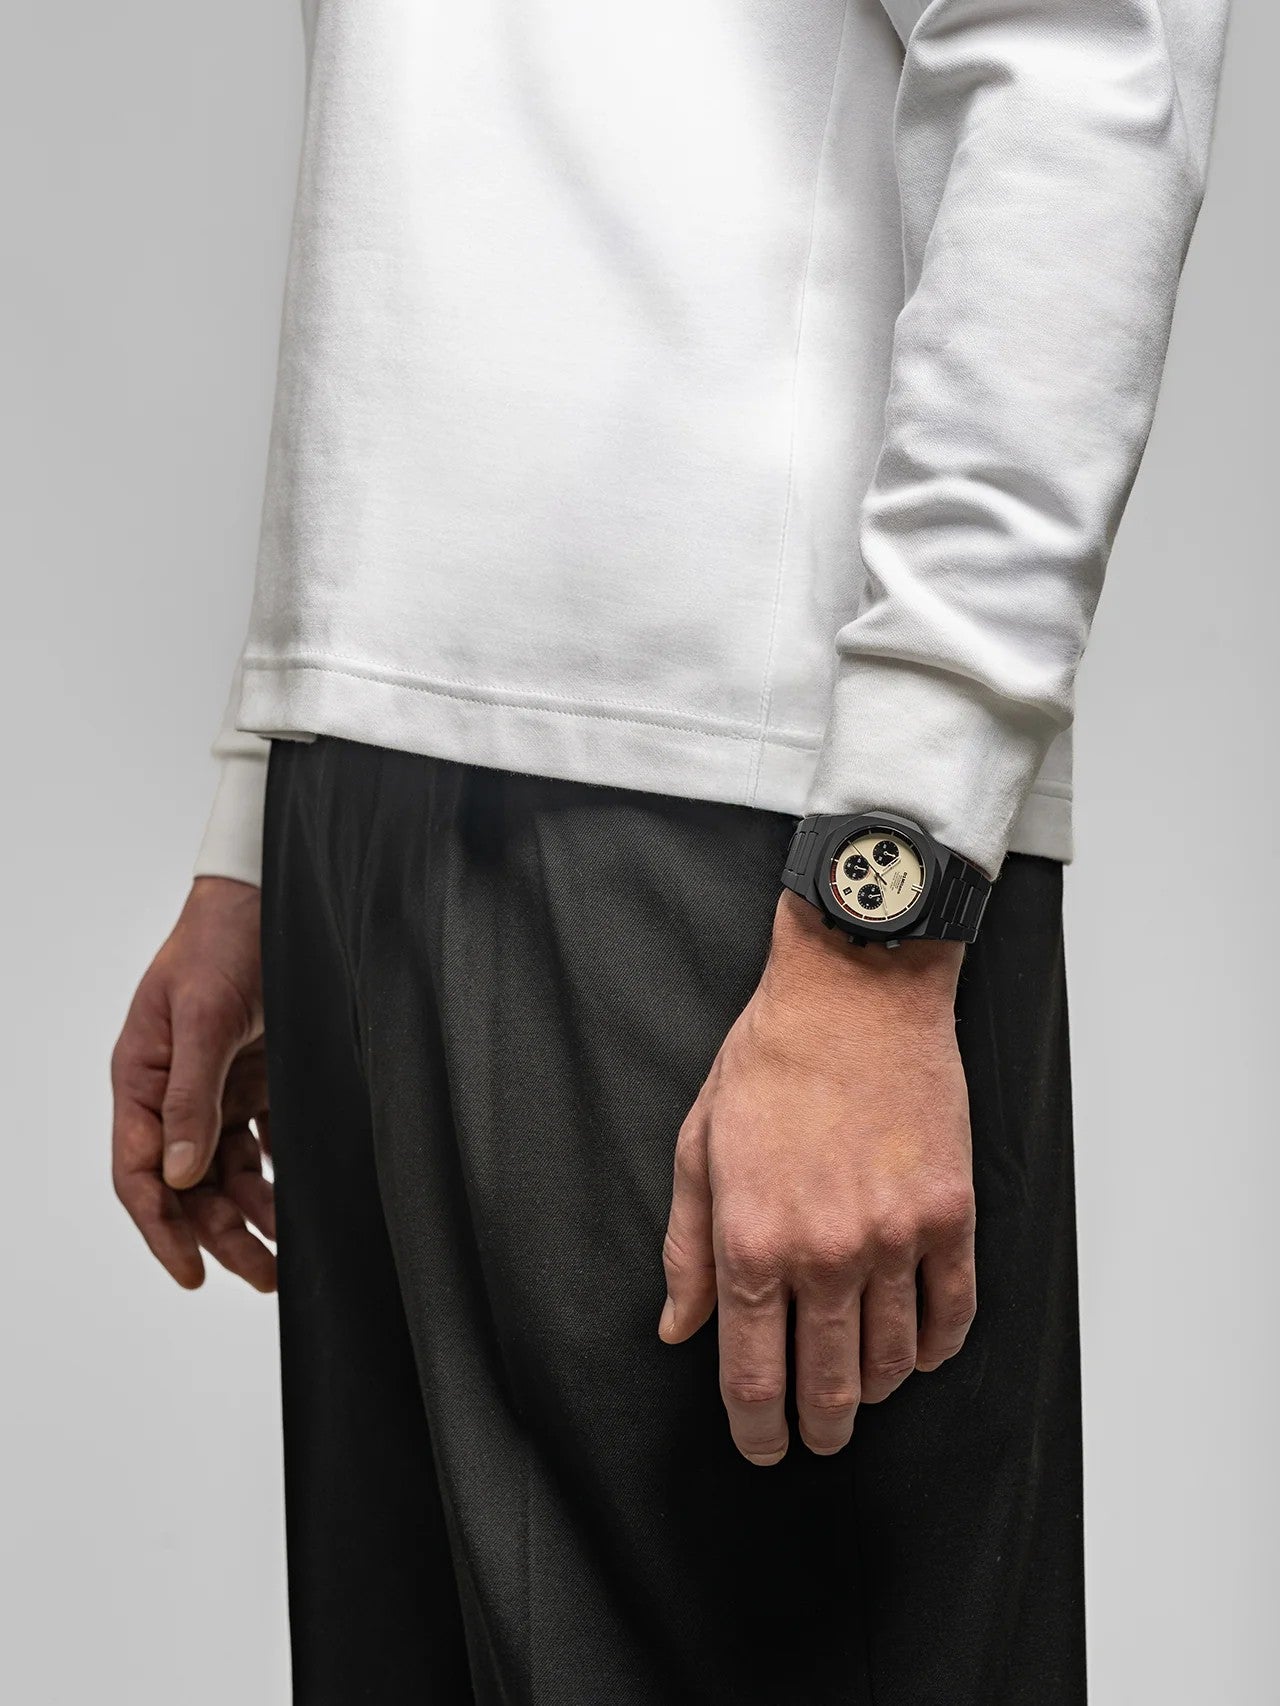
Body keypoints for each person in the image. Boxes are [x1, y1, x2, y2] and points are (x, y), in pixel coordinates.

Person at [110, 3, 1229, 1701]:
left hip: (745, 833)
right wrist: (256, 809)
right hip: (373, 794)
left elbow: (1079, 65)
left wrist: (887, 878)